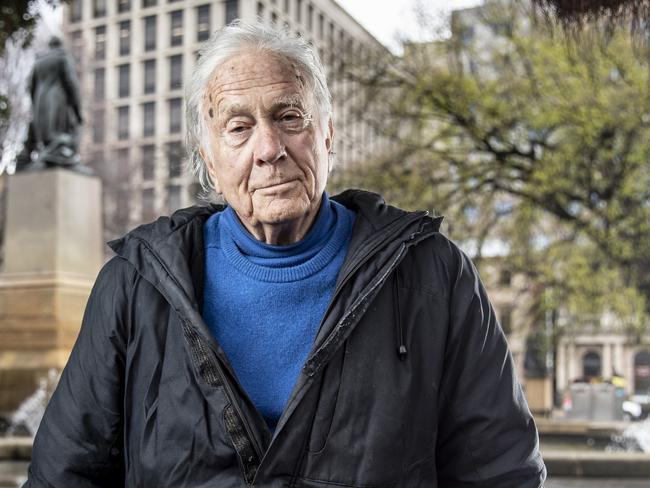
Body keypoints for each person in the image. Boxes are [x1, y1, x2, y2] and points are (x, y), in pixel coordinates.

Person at [25, 23, 546, 487]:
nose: (269, 148)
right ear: (208, 157)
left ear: (327, 134)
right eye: (238, 127)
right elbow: (65, 473)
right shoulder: (133, 284)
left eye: (289, 117)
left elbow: (501, 472)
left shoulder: (434, 274)